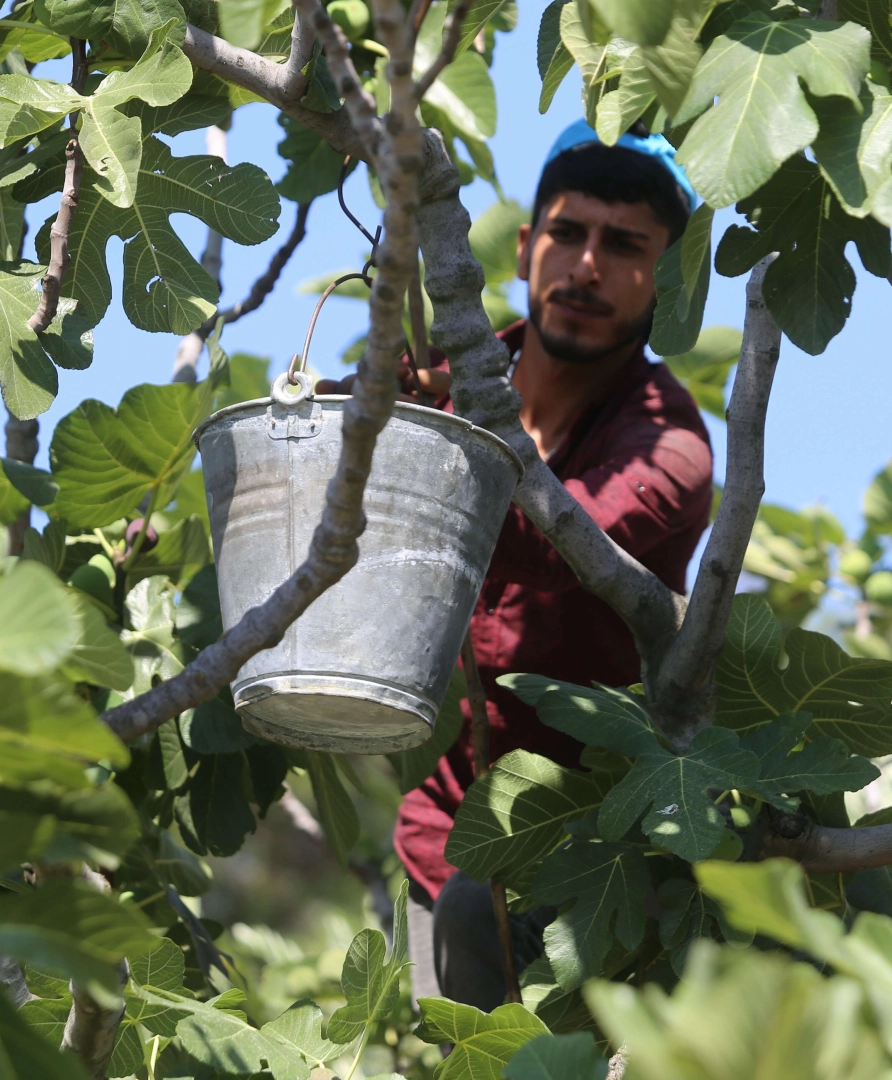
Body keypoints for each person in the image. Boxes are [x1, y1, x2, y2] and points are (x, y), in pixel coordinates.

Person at [325, 120, 714, 1010]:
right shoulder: (439, 380)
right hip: (435, 838)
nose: (586, 267)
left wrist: (420, 452)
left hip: (592, 850)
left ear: (666, 279)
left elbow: (555, 543)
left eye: (625, 246)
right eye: (568, 234)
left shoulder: (668, 444)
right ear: (530, 244)